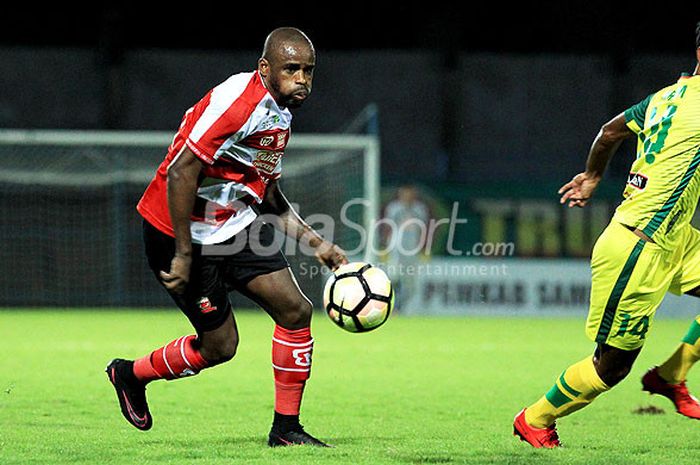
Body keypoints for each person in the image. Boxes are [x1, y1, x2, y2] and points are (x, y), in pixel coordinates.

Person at [105, 27, 347, 448]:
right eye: (292, 69)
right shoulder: (238, 103)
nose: (302, 79)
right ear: (265, 68)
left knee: (295, 311)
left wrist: (316, 242)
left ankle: (286, 430)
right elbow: (181, 170)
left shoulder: (280, 112)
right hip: (177, 233)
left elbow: (264, 191)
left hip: (233, 226)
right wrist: (182, 254)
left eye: (309, 70)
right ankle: (129, 374)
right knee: (220, 347)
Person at [514, 23, 700, 448]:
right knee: (610, 369)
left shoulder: (666, 97)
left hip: (675, 238)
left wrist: (593, 176)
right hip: (638, 246)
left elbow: (610, 132)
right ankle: (534, 419)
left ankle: (672, 375)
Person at [382, 185, 430, 312]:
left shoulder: (420, 209)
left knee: (411, 285)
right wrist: (385, 247)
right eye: (404, 193)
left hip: (413, 251)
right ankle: (386, 305)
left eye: (410, 193)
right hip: (396, 249)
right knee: (393, 278)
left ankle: (398, 308)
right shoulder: (394, 208)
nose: (407, 196)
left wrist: (423, 248)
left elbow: (423, 230)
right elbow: (388, 228)